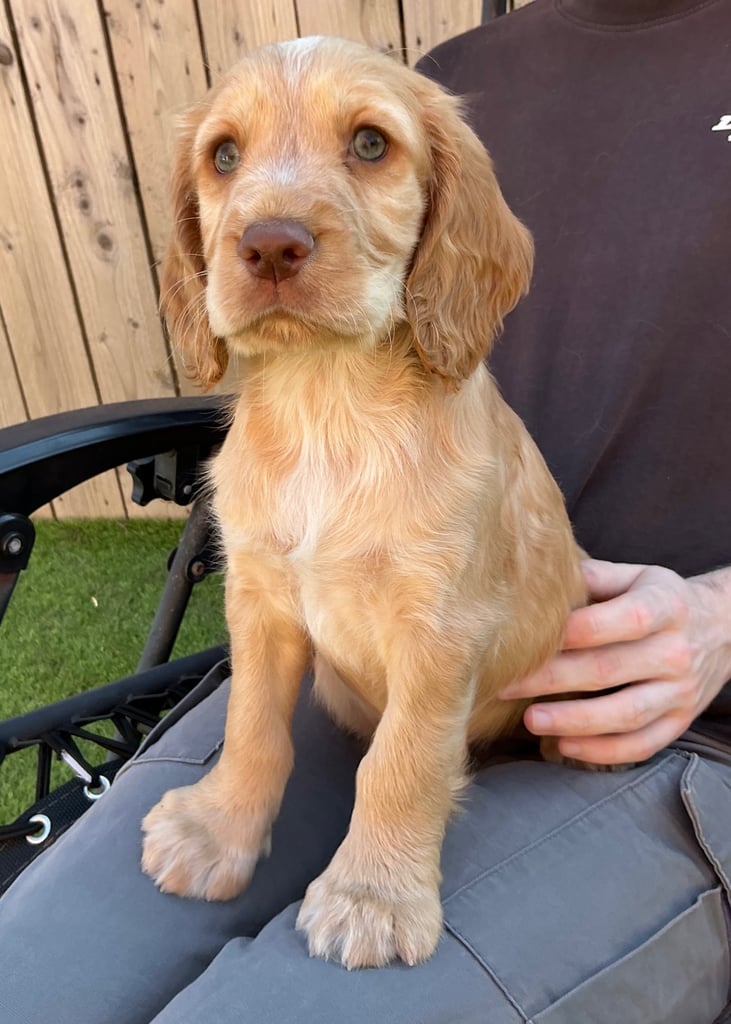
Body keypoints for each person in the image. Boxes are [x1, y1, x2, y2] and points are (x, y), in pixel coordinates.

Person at [2, 0, 730, 1020]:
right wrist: (246, 771)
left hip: (666, 722)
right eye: (226, 157)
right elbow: (264, 598)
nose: (272, 214)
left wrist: (721, 617)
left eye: (364, 148)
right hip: (349, 695)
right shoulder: (458, 68)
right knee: (31, 981)